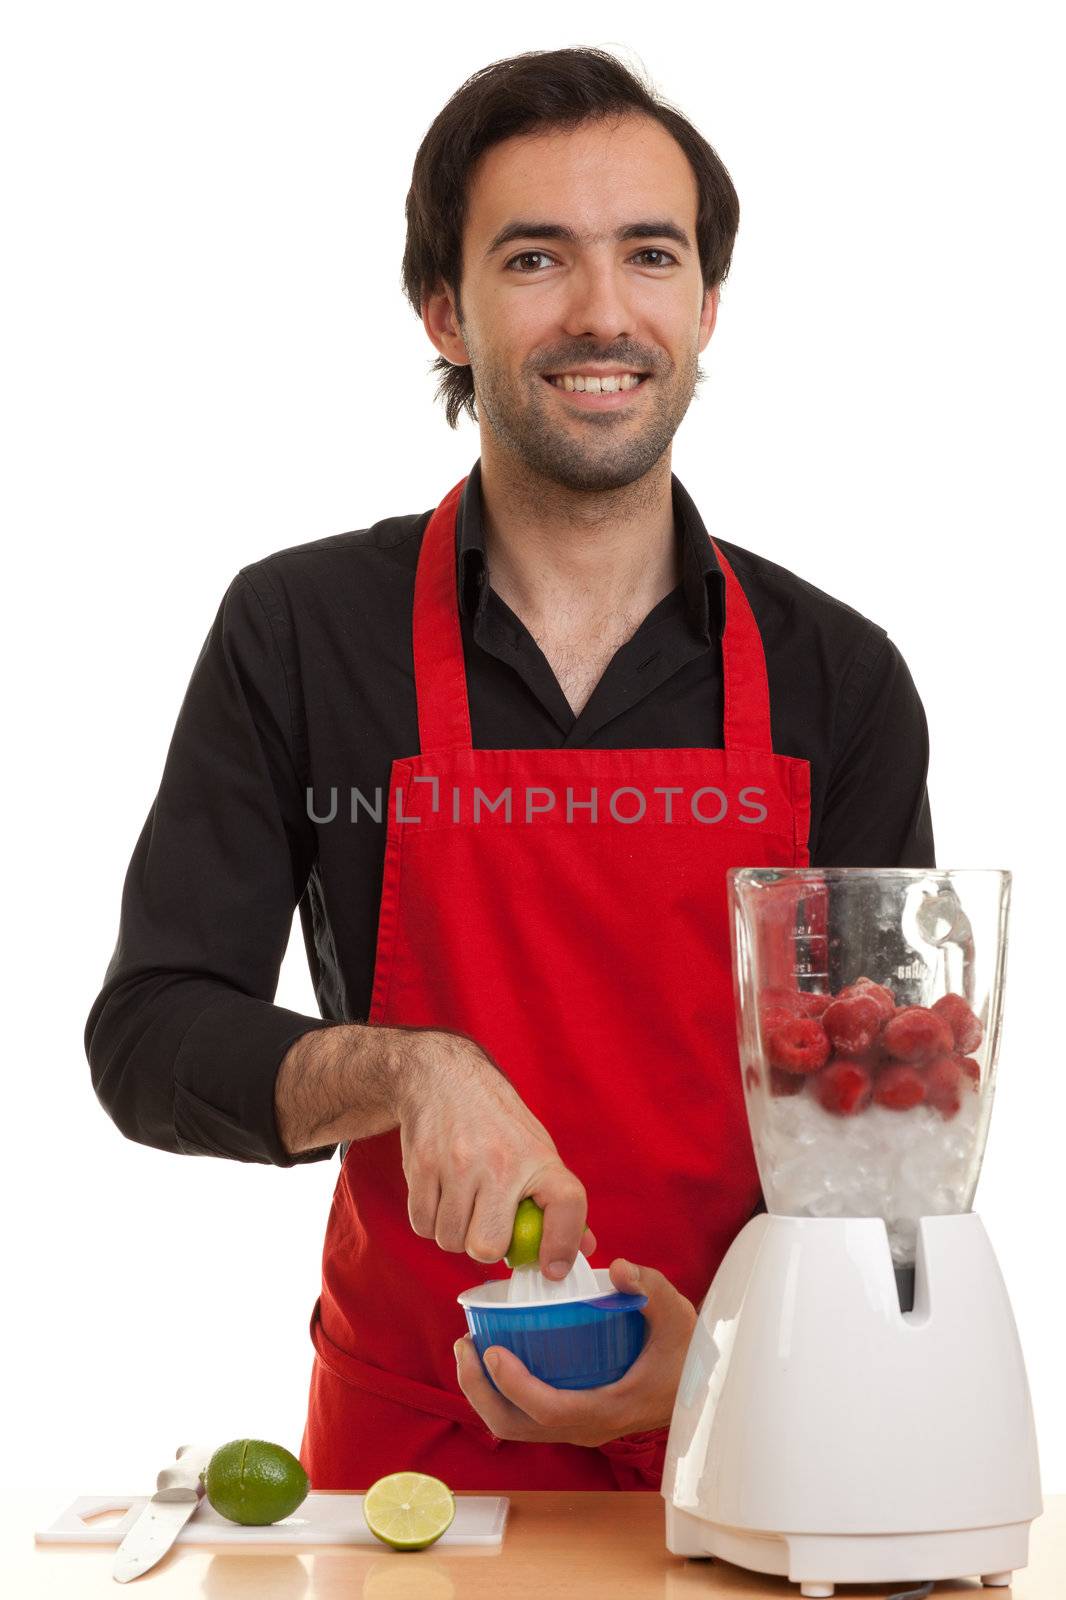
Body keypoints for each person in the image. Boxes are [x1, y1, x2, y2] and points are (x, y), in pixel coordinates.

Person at [85, 46, 934, 1493]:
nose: (601, 312)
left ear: (705, 304)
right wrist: (403, 1069)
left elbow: (890, 1129)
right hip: (413, 1449)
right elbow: (151, 1039)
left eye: (648, 256)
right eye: (535, 257)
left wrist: (726, 1359)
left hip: (750, 1433)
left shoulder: (835, 679)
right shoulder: (302, 634)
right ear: (445, 309)